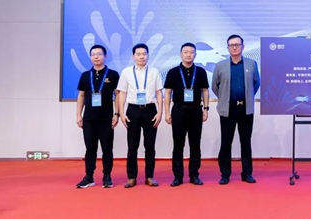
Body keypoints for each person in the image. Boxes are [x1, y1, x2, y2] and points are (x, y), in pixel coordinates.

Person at [211, 34, 260, 185]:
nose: (234, 47)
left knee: (245, 142)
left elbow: (256, 83)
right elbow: (215, 86)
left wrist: (248, 97)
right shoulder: (220, 65)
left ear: (243, 47)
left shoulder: (251, 64)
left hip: (245, 109)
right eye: (231, 45)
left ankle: (247, 173)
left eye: (237, 45)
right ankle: (225, 174)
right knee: (226, 142)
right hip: (228, 109)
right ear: (227, 48)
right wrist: (225, 98)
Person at [117, 43, 163, 188]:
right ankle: (131, 177)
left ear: (148, 56)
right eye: (138, 54)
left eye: (144, 54)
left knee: (150, 145)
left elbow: (159, 93)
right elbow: (122, 93)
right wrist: (121, 113)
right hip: (133, 110)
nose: (141, 56)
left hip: (150, 110)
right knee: (132, 145)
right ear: (133, 56)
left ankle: (149, 176)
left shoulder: (154, 72)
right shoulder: (126, 72)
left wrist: (160, 112)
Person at [164, 42, 210, 186]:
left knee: (195, 144)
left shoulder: (201, 72)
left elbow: (205, 91)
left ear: (195, 54)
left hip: (196, 111)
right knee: (178, 145)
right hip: (179, 110)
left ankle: (194, 175)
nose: (188, 55)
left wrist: (206, 109)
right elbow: (168, 93)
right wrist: (167, 112)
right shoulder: (173, 72)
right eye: (186, 52)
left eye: (191, 52)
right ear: (180, 54)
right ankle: (178, 176)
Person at [75, 45, 120, 188]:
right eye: (93, 54)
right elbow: (81, 96)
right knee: (90, 149)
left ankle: (107, 176)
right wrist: (78, 115)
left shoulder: (112, 74)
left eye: (99, 54)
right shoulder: (85, 75)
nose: (96, 57)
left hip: (106, 119)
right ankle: (89, 176)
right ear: (90, 57)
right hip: (89, 119)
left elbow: (118, 95)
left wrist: (117, 114)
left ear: (105, 56)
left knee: (107, 149)